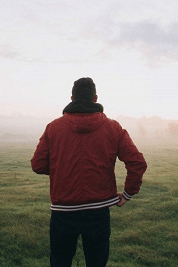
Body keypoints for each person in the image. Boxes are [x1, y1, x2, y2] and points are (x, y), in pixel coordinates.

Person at [31, 77, 147, 267]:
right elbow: (137, 162)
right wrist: (127, 194)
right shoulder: (113, 127)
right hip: (99, 212)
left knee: (60, 262)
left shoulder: (53, 128)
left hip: (63, 212)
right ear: (95, 98)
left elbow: (37, 165)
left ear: (71, 98)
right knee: (97, 263)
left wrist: (62, 169)